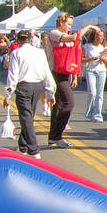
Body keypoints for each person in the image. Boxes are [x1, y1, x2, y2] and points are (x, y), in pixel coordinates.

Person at [4, 28, 56, 157]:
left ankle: (33, 149)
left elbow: (13, 75)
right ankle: (23, 146)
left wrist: (7, 95)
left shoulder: (16, 53)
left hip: (24, 86)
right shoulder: (40, 52)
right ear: (31, 39)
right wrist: (51, 93)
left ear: (18, 40)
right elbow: (47, 73)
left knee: (26, 117)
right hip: (37, 86)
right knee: (28, 117)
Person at [42, 13, 81, 148]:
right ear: (61, 22)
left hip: (65, 72)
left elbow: (72, 56)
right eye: (68, 24)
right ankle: (57, 134)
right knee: (69, 103)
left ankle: (54, 136)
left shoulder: (65, 36)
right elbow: (73, 37)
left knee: (59, 105)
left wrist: (74, 75)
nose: (70, 27)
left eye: (71, 24)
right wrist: (89, 27)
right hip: (56, 72)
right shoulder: (54, 33)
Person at [80, 26, 107, 121]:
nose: (99, 38)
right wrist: (91, 58)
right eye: (98, 35)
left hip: (101, 71)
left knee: (100, 94)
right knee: (92, 93)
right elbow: (81, 59)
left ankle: (97, 115)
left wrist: (103, 58)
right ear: (94, 36)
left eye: (101, 36)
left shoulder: (104, 48)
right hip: (91, 71)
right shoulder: (87, 46)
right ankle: (89, 112)